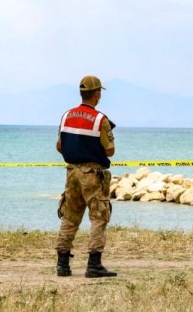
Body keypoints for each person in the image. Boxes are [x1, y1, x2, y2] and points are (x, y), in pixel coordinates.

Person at [55, 75, 117, 278]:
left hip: (71, 172)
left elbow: (59, 146)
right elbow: (110, 151)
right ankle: (94, 264)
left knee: (70, 217)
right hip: (92, 174)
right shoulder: (100, 119)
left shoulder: (66, 116)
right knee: (99, 216)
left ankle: (62, 264)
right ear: (97, 94)